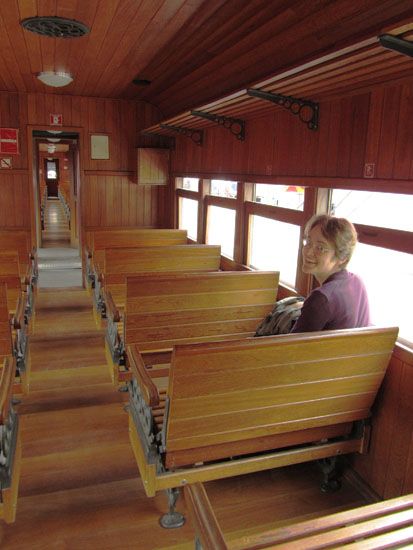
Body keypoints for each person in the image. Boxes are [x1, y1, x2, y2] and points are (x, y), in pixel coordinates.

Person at [291, 214, 371, 333]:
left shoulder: (320, 300)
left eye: (320, 248)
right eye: (308, 241)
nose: (308, 252)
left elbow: (290, 348)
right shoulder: (357, 282)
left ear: (342, 257)